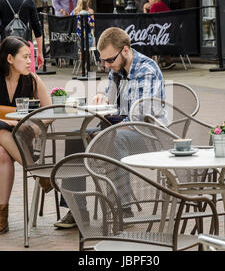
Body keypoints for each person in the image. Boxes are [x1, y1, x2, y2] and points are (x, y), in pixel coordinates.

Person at [53, 27, 166, 229]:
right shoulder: (117, 71)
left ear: (125, 50)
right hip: (121, 129)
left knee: (113, 138)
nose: (106, 65)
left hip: (149, 135)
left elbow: (140, 118)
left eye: (110, 60)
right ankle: (77, 210)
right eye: (103, 61)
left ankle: (124, 208)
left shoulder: (146, 71)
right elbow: (111, 105)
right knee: (75, 137)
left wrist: (106, 128)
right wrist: (102, 100)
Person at [0, 36, 51, 236]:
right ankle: (36, 171)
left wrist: (34, 127)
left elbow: (50, 111)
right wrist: (10, 123)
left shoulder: (32, 79)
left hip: (16, 142)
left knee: (2, 152)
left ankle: (2, 214)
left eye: (30, 57)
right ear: (9, 58)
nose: (29, 61)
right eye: (24, 57)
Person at [143, 0, 175, 70]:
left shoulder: (155, 6)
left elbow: (148, 22)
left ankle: (149, 64)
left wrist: (144, 9)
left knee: (144, 38)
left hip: (161, 36)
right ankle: (168, 61)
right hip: (170, 34)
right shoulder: (163, 5)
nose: (148, 0)